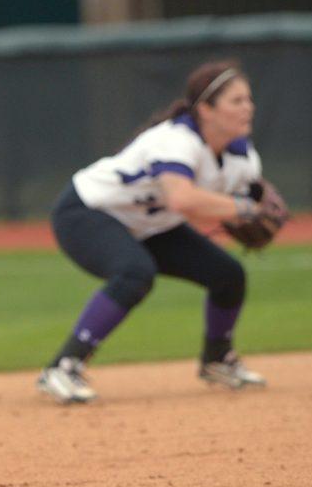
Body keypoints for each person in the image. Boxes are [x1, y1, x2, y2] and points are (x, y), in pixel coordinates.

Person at [37, 60, 271, 404]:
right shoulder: (176, 141)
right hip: (88, 211)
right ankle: (63, 366)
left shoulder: (243, 158)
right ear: (205, 109)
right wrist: (245, 210)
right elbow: (182, 199)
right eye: (236, 101)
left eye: (248, 99)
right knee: (135, 272)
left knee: (228, 274)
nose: (247, 107)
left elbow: (227, 206)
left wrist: (246, 214)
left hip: (151, 223)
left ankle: (218, 359)